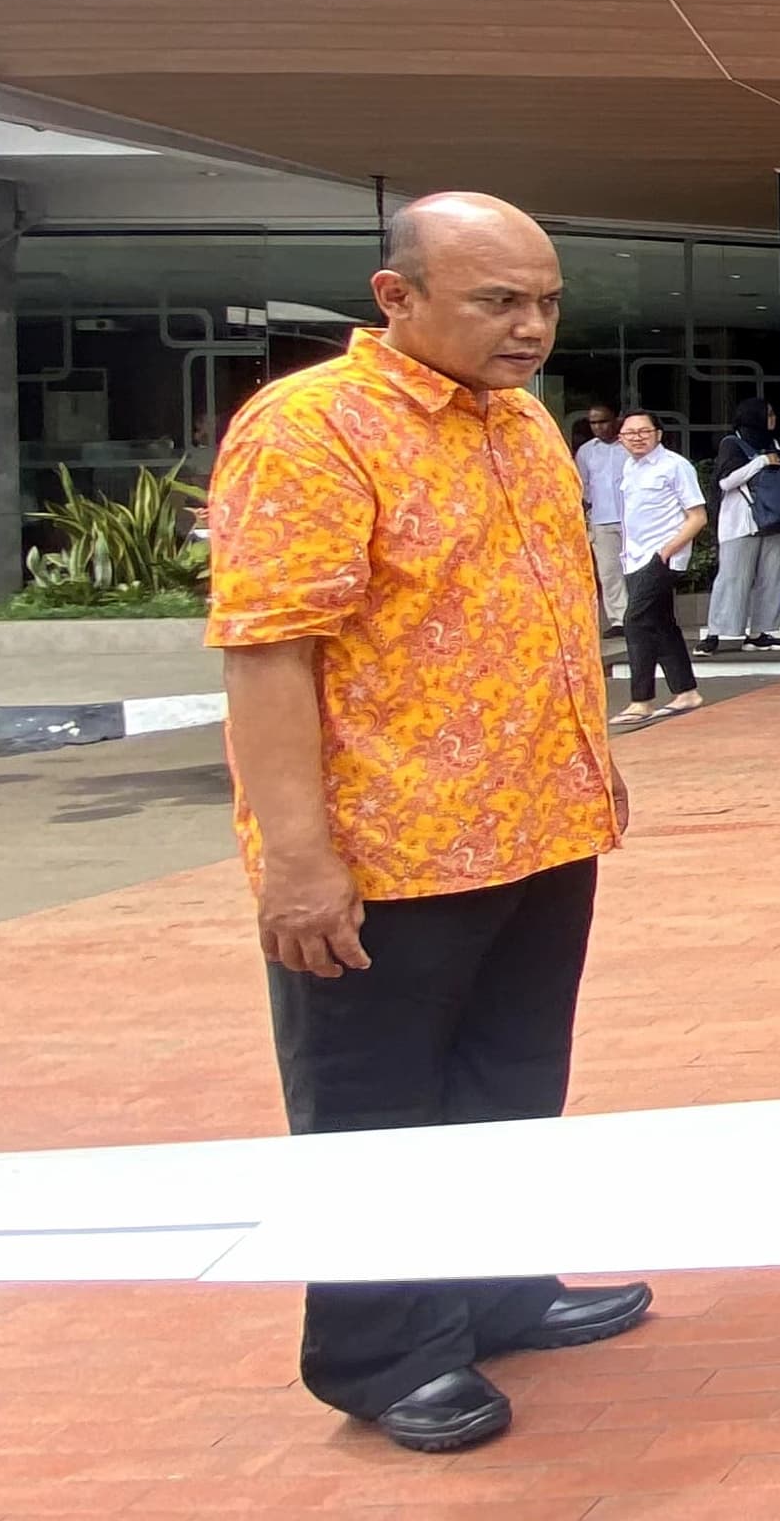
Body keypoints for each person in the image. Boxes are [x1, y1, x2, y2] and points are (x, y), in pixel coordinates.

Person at [204, 192, 646, 1456]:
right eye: (498, 301)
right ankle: (384, 1352)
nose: (531, 328)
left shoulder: (522, 422)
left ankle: (500, 1291)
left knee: (510, 1082)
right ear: (397, 298)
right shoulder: (311, 429)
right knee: (374, 1113)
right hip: (388, 853)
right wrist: (298, 861)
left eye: (546, 301)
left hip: (538, 826)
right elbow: (269, 653)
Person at [609, 412, 706, 727]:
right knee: (662, 623)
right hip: (634, 557)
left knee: (635, 621)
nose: (637, 437)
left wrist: (667, 550)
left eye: (644, 431)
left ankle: (641, 700)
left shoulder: (675, 466)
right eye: (630, 433)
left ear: (659, 434)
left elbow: (697, 516)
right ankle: (686, 692)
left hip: (662, 556)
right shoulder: (629, 467)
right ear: (620, 438)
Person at [704, 397, 780, 653]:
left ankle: (760, 632)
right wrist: (761, 462)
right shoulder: (732, 444)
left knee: (771, 578)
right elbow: (725, 482)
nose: (773, 419)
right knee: (732, 578)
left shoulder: (773, 443)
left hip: (773, 521)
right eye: (768, 414)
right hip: (740, 523)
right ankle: (715, 633)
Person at [571, 401, 624, 616]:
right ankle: (618, 620)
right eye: (593, 423)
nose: (598, 427)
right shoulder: (586, 451)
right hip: (601, 519)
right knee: (609, 573)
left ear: (616, 420)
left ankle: (638, 619)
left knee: (638, 571)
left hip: (634, 519)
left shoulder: (630, 446)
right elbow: (581, 485)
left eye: (603, 421)